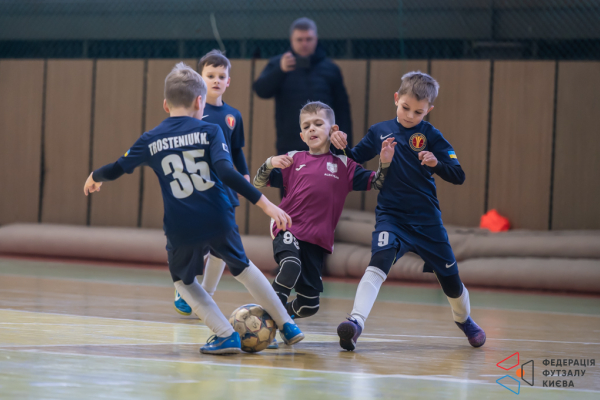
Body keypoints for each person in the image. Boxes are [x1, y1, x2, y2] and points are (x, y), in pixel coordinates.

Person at [83, 62, 304, 355]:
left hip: (181, 224)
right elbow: (227, 172)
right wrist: (265, 204)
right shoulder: (211, 130)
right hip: (218, 216)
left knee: (183, 281)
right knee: (243, 267)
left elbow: (116, 168)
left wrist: (95, 177)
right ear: (200, 102)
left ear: (165, 105)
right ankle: (287, 324)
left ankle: (225, 334)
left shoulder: (150, 139)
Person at [330, 71, 486, 350]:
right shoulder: (379, 131)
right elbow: (351, 161)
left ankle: (464, 320)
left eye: (418, 112)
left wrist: (436, 163)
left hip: (427, 221)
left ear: (429, 110)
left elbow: (458, 175)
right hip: (391, 217)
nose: (410, 116)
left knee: (451, 281)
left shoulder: (431, 135)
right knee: (378, 263)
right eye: (405, 108)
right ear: (396, 98)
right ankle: (355, 323)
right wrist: (338, 144)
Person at [252, 101, 395, 348]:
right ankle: (270, 324)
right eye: (306, 126)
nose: (312, 129)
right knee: (290, 265)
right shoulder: (293, 159)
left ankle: (280, 315)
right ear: (301, 135)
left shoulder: (344, 165)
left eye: (318, 124)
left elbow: (378, 182)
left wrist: (385, 161)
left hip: (317, 241)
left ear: (332, 129)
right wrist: (269, 163)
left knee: (309, 305)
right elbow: (257, 182)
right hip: (287, 226)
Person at [173, 50, 250, 316]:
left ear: (228, 81)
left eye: (221, 76)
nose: (216, 80)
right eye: (210, 75)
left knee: (221, 246)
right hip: (198, 186)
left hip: (225, 187)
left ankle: (206, 294)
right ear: (199, 79)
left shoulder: (233, 115)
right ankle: (185, 283)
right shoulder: (193, 111)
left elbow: (236, 149)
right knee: (196, 240)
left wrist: (245, 174)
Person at [253, 17, 353, 157]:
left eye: (309, 39)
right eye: (299, 40)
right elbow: (261, 90)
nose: (304, 44)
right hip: (289, 143)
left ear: (316, 39)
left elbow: (342, 109)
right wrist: (280, 70)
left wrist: (345, 147)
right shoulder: (279, 64)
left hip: (326, 144)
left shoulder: (330, 68)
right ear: (291, 40)